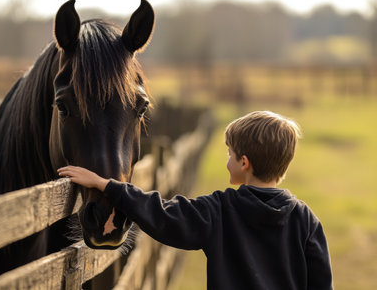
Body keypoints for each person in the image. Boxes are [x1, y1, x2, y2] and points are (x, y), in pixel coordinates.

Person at [58, 110, 333, 290]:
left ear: (244, 162)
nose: (227, 162)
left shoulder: (220, 210)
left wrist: (107, 185)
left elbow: (163, 215)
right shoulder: (306, 219)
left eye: (230, 154)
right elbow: (321, 284)